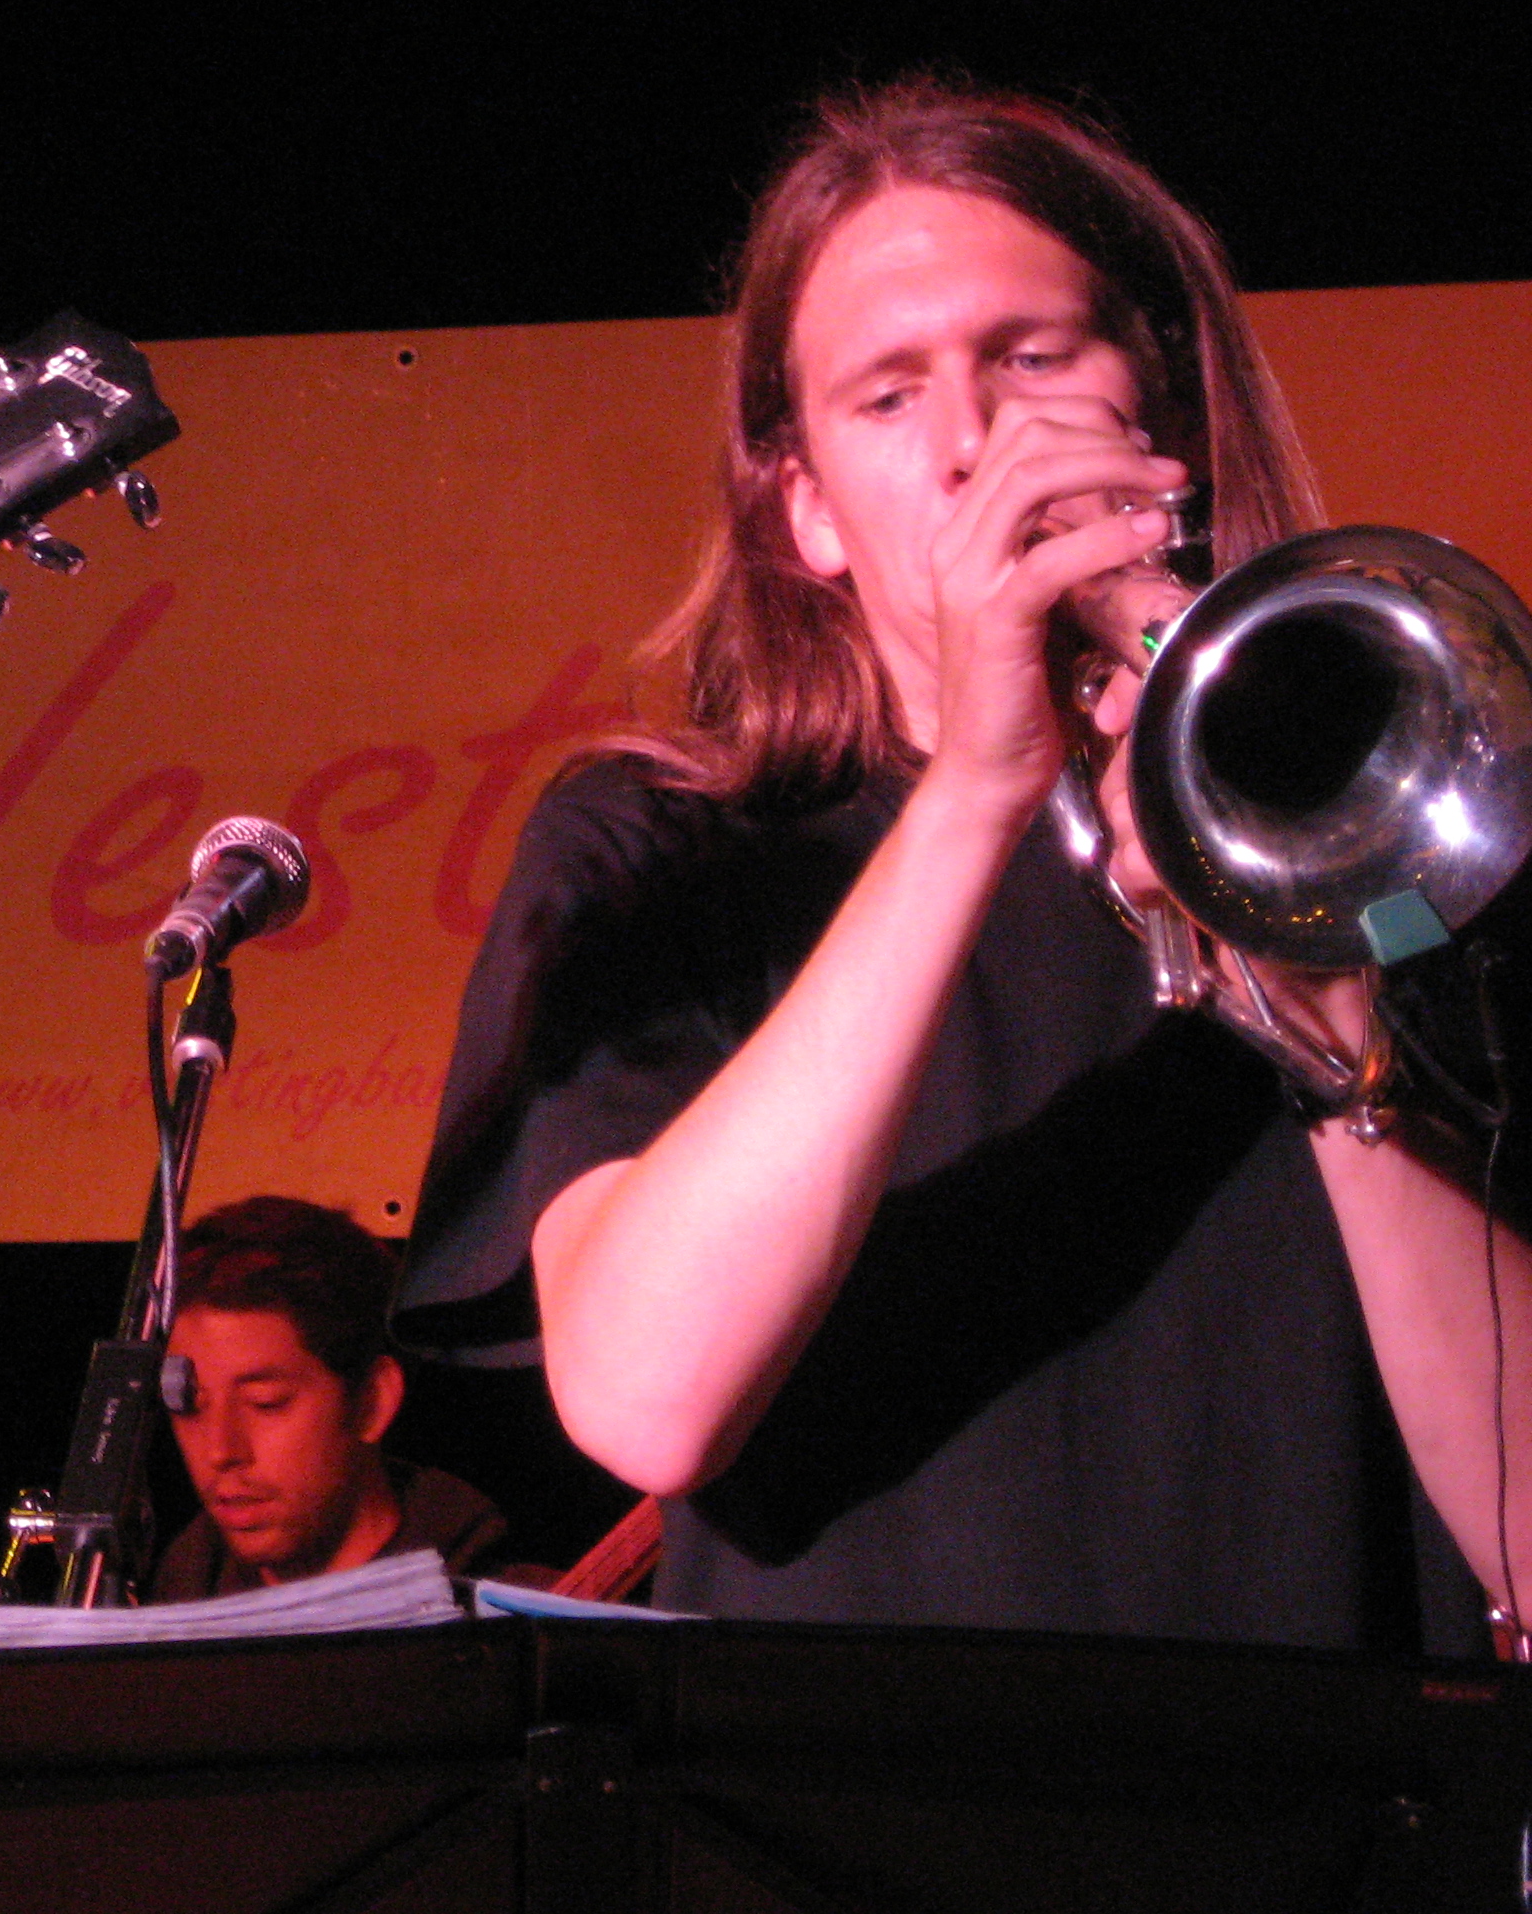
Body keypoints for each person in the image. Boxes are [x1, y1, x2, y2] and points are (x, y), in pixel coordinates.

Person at [397, 80, 1530, 1654]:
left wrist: (1325, 1017)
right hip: (858, 1789)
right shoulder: (660, 854)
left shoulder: (1410, 824)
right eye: (887, 396)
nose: (975, 445)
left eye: (1033, 358)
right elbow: (649, 1402)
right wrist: (980, 791)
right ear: (806, 512)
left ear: (1166, 422)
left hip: (1336, 1786)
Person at [150, 1196, 514, 1601]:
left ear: (372, 1402)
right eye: (189, 1404)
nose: (220, 1451)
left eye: (266, 1402)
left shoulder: (515, 1620)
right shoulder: (160, 1612)